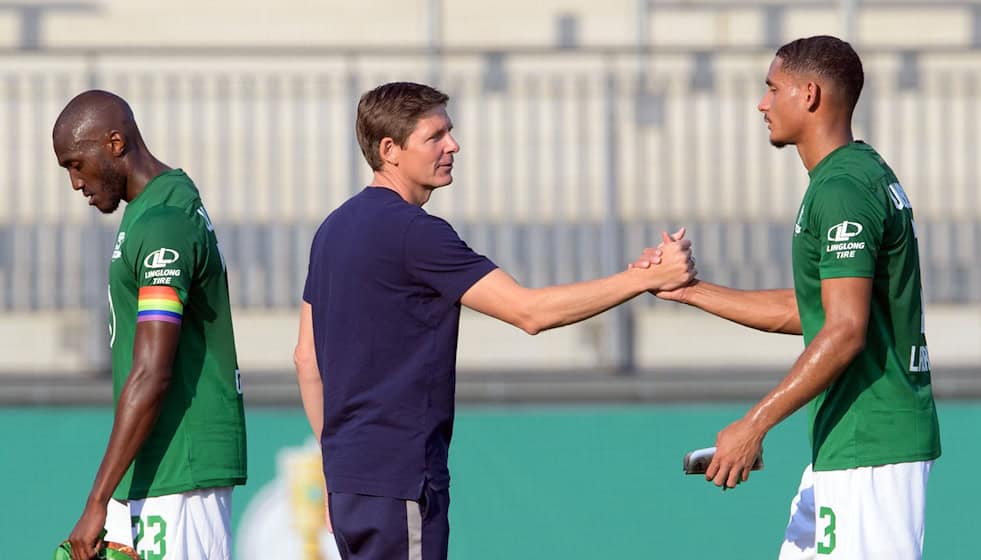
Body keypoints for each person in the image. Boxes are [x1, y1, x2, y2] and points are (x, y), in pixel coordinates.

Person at [293, 81, 696, 560]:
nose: (453, 145)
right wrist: (643, 279)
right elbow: (530, 312)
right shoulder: (415, 233)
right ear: (390, 150)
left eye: (451, 131)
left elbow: (305, 359)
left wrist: (340, 464)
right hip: (399, 475)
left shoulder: (333, 228)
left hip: (349, 480)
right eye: (436, 136)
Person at [635, 35, 940, 559]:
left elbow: (843, 331)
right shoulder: (853, 174)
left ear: (810, 95)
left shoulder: (844, 187)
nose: (762, 103)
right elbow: (810, 312)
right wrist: (690, 291)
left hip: (872, 448)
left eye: (773, 89)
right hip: (846, 445)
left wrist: (754, 425)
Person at [53, 90, 247, 560]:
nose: (76, 181)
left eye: (78, 163)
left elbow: (152, 372)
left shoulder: (164, 223)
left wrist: (96, 500)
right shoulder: (153, 210)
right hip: (157, 468)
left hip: (181, 468)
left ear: (116, 143)